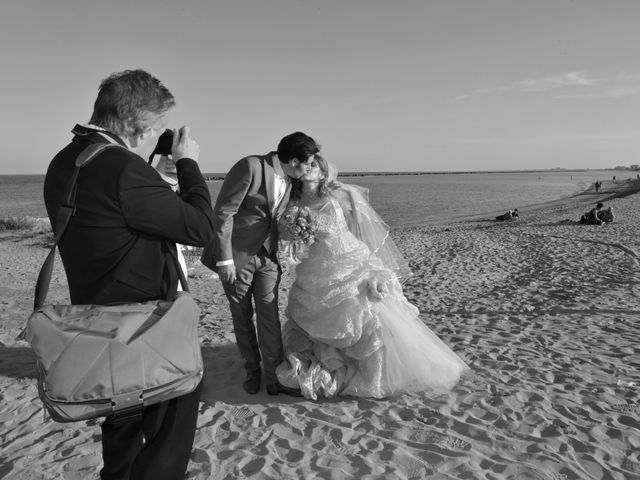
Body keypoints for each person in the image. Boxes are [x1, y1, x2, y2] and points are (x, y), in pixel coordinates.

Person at [43, 69, 214, 480]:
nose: (159, 137)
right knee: (168, 432)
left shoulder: (67, 161)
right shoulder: (122, 170)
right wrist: (187, 161)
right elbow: (200, 227)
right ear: (139, 126)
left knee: (121, 429)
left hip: (101, 321)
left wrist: (150, 166)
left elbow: (117, 216)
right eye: (156, 130)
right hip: (147, 329)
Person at [274, 155, 469, 400]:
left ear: (324, 174)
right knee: (309, 316)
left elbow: (361, 226)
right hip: (316, 266)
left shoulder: (339, 194)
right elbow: (283, 232)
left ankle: (374, 373)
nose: (309, 168)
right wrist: (296, 231)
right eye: (307, 164)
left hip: (350, 258)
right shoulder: (293, 203)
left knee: (367, 314)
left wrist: (369, 264)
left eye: (315, 165)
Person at [200, 132, 318, 397]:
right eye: (307, 163)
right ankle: (252, 371)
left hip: (268, 258)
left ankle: (274, 376)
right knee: (242, 317)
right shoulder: (251, 166)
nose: (309, 168)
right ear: (294, 160)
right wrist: (225, 260)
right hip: (236, 256)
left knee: (269, 316)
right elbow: (223, 213)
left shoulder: (291, 179)